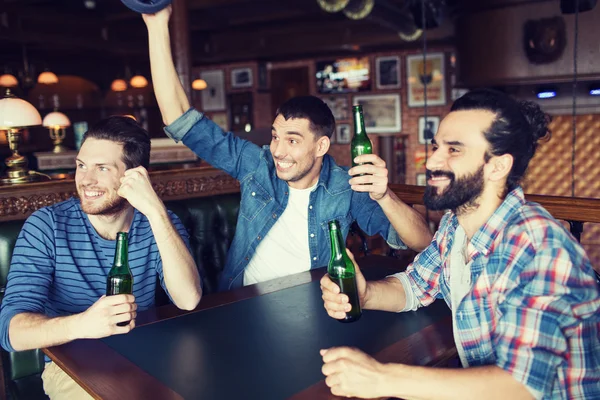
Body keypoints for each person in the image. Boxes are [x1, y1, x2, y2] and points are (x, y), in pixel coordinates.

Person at [320, 89, 600, 400]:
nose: (433, 160)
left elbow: (521, 386)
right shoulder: (455, 226)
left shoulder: (539, 247)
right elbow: (414, 286)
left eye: (454, 150)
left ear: (498, 167)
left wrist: (382, 378)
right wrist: (366, 293)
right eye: (436, 146)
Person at [142, 7, 433, 291]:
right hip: (242, 302)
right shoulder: (257, 164)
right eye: (275, 136)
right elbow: (179, 119)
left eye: (292, 140)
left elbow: (420, 241)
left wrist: (384, 196)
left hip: (311, 302)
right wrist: (156, 26)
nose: (278, 150)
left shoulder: (345, 187)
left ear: (321, 146)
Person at [0, 116, 202, 399]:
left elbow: (188, 299)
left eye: (102, 168)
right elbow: (12, 332)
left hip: (151, 356)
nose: (85, 180)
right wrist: (83, 324)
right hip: (73, 366)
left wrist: (156, 211)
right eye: (81, 166)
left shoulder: (160, 222)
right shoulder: (46, 226)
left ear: (135, 176)